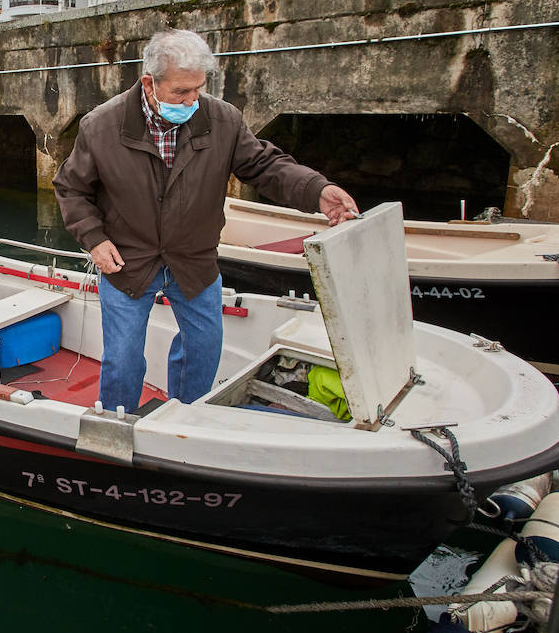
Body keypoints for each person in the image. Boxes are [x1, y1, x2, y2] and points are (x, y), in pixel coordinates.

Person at [53, 29, 358, 413]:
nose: (193, 100)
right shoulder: (101, 126)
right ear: (149, 83)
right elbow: (70, 188)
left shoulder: (222, 120)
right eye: (182, 91)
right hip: (126, 262)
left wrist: (316, 190)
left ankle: (188, 415)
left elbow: (265, 166)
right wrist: (94, 239)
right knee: (123, 358)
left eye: (198, 88)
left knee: (203, 347)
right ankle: (119, 424)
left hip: (193, 259)